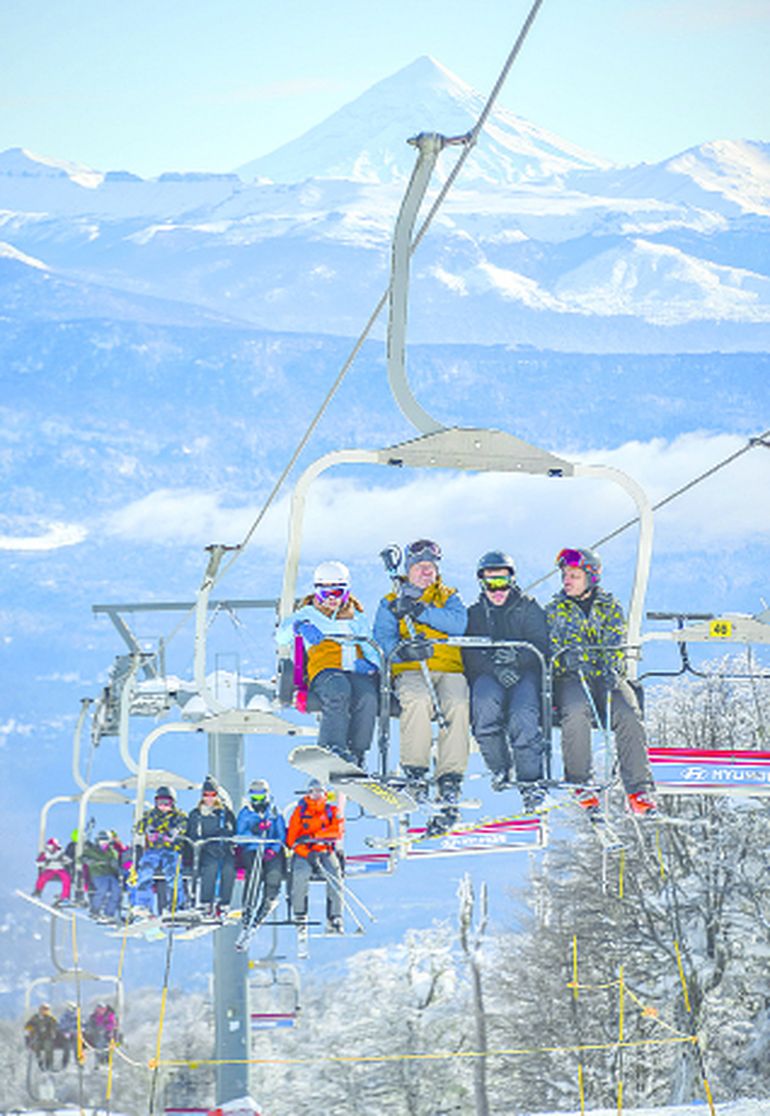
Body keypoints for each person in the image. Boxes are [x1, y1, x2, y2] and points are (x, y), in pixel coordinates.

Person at [546, 547, 657, 817]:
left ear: (591, 577)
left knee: (628, 713)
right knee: (574, 711)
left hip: (605, 676)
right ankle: (580, 781)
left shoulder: (609, 607)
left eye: (574, 575)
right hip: (573, 677)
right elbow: (551, 647)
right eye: (565, 576)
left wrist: (611, 666)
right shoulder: (554, 610)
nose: (567, 581)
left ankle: (638, 788)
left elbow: (616, 640)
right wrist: (566, 662)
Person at [373, 539, 469, 828]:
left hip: (448, 667)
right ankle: (415, 770)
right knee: (416, 699)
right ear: (409, 570)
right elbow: (383, 639)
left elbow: (457, 624)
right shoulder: (391, 601)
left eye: (431, 568)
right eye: (421, 568)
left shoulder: (449, 596)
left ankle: (449, 777)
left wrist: (420, 611)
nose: (427, 573)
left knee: (457, 703)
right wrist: (403, 650)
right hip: (412, 668)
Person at [462, 550, 550, 812]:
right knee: (484, 705)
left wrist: (518, 657)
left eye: (503, 582)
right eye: (491, 584)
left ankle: (530, 783)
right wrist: (494, 667)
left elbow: (542, 647)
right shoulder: (476, 614)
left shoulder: (529, 608)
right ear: (482, 584)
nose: (497, 590)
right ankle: (499, 767)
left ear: (512, 582)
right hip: (489, 674)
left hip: (525, 674)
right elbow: (469, 653)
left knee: (523, 715)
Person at [277, 560, 379, 766]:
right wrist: (299, 627)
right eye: (326, 594)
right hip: (326, 671)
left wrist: (373, 665)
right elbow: (281, 637)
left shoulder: (357, 618)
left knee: (368, 696)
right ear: (317, 592)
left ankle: (358, 752)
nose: (332, 600)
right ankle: (331, 746)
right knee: (337, 688)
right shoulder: (307, 614)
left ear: (347, 592)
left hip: (354, 670)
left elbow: (372, 648)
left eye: (338, 593)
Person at [286, 778, 344, 934]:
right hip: (304, 852)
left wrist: (315, 836)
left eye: (319, 791)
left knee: (334, 873)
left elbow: (337, 831)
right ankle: (300, 913)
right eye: (313, 792)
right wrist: (306, 851)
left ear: (325, 794)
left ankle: (335, 916)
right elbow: (291, 839)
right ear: (308, 793)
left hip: (325, 850)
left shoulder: (332, 811)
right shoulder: (300, 812)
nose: (316, 795)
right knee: (300, 873)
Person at [236, 778, 287, 929]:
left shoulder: (274, 812)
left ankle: (267, 903)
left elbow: (281, 834)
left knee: (274, 873)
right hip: (252, 848)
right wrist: (255, 831)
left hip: (270, 848)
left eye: (260, 797)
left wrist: (274, 849)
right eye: (254, 797)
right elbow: (240, 834)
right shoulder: (246, 813)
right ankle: (248, 908)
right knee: (254, 873)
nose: (257, 801)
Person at [132, 785, 188, 918]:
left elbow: (185, 825)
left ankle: (176, 905)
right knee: (145, 870)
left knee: (172, 874)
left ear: (172, 803)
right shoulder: (151, 815)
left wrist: (176, 831)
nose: (163, 806)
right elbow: (138, 828)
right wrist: (147, 829)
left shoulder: (178, 816)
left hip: (171, 850)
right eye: (160, 803)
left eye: (166, 803)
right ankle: (143, 904)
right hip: (154, 850)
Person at [186, 776, 237, 916]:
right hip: (205, 849)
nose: (209, 798)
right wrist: (203, 844)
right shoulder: (196, 814)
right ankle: (206, 902)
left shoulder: (225, 813)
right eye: (206, 795)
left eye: (212, 795)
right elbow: (192, 834)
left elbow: (233, 831)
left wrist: (227, 837)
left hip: (223, 848)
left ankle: (224, 903)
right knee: (211, 866)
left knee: (229, 868)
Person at [82, 830, 123, 922]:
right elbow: (81, 858)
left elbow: (116, 863)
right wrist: (88, 861)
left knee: (117, 890)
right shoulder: (92, 850)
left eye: (105, 840)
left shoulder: (112, 852)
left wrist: (114, 865)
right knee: (102, 889)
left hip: (110, 874)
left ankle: (109, 913)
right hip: (98, 874)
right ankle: (95, 910)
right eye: (101, 840)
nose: (103, 842)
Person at [33, 837, 72, 905]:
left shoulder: (60, 853)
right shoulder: (45, 853)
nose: (50, 848)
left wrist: (63, 861)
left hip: (60, 869)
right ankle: (38, 891)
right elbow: (38, 862)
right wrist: (44, 862)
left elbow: (68, 861)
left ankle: (65, 896)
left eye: (51, 846)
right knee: (43, 878)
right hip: (50, 869)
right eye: (49, 846)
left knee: (67, 879)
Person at [24, 1003, 58, 1071]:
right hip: (37, 1037)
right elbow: (27, 1026)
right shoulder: (35, 1017)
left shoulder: (51, 1018)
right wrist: (31, 1029)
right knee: (37, 1048)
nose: (44, 1011)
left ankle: (49, 1065)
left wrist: (52, 1031)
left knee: (48, 1048)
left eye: (46, 1009)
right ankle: (40, 1065)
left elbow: (55, 1026)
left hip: (47, 1037)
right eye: (43, 1009)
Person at [55, 1002, 79, 1070]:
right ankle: (65, 1063)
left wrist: (76, 1031)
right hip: (66, 1035)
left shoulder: (77, 1016)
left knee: (77, 1047)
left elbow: (82, 1025)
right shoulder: (64, 1017)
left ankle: (79, 1062)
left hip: (75, 1035)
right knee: (67, 1048)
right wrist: (65, 1032)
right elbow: (61, 1026)